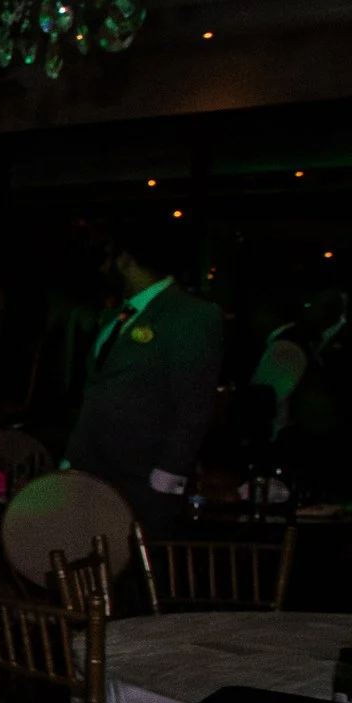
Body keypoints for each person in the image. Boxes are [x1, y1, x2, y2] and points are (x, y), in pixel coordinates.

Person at [64, 215, 224, 525]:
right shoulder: (117, 316)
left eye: (109, 257)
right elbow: (96, 392)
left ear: (125, 259)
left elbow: (193, 405)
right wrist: (72, 459)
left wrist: (167, 478)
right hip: (93, 474)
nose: (103, 268)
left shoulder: (191, 315)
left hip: (144, 480)